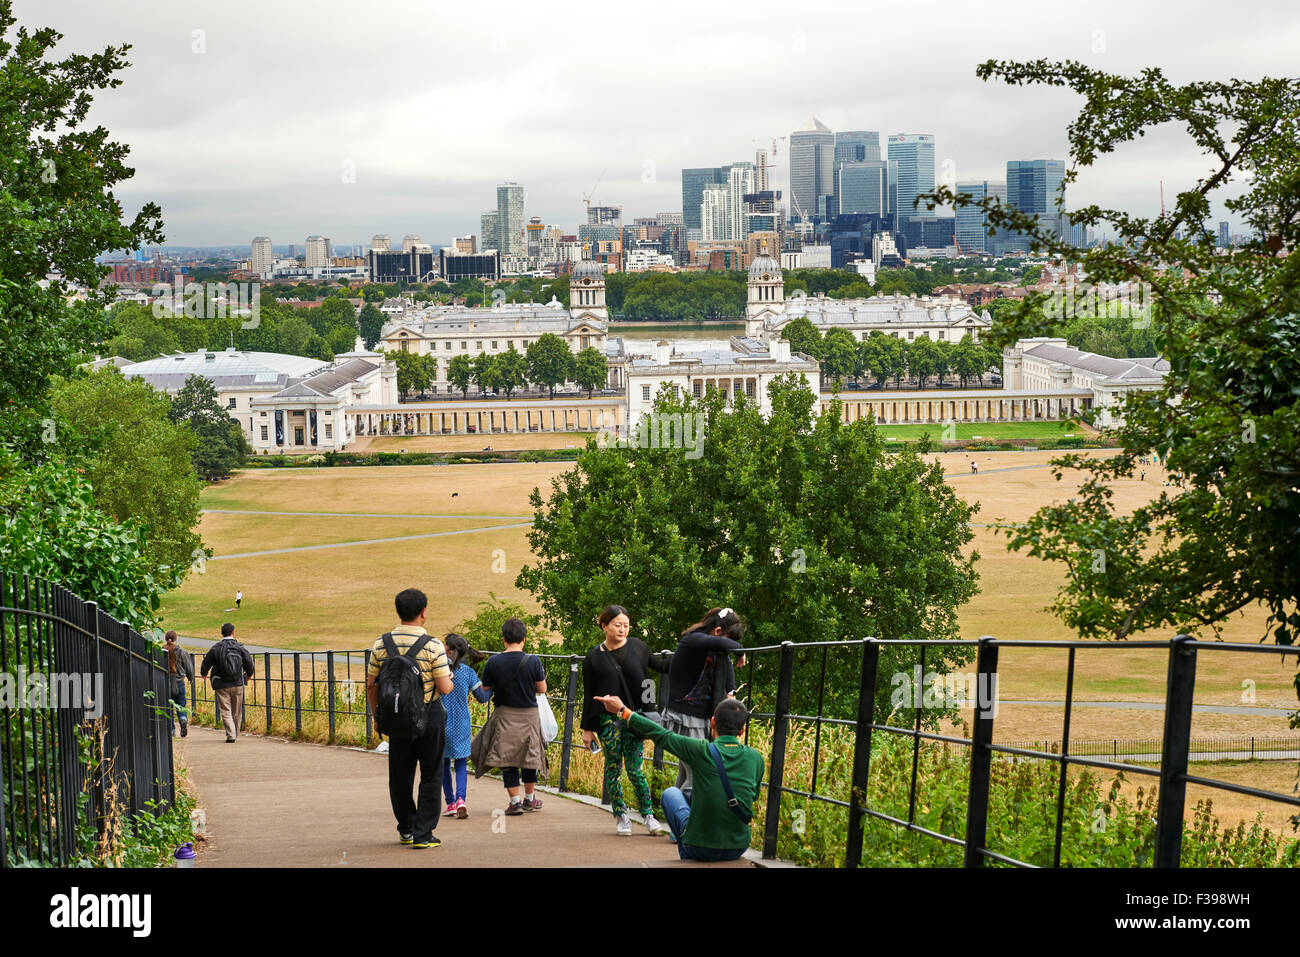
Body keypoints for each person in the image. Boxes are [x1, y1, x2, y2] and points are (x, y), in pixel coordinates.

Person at [593, 694, 763, 863]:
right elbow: (752, 797)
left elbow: (662, 735)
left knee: (671, 794)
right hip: (738, 847)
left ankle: (688, 856)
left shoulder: (701, 750)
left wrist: (623, 711)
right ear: (742, 731)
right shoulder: (756, 758)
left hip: (700, 848)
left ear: (712, 722)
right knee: (690, 793)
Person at [366, 588, 454, 849]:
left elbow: (372, 684)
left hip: (395, 717)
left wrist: (377, 717)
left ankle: (405, 827)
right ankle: (423, 834)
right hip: (429, 715)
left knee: (400, 775)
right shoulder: (434, 645)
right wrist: (448, 676)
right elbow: (445, 687)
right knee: (431, 774)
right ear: (423, 613)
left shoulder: (381, 644)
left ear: (398, 611)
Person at [580, 605, 669, 836]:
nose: (622, 629)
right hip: (606, 720)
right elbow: (588, 695)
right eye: (617, 625)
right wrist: (587, 729)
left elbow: (655, 673)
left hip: (634, 717)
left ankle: (648, 814)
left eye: (626, 625)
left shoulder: (639, 647)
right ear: (604, 626)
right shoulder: (592, 658)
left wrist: (692, 655)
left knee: (635, 768)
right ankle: (621, 816)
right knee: (613, 766)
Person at [662, 607, 746, 802]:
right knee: (699, 774)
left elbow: (727, 678)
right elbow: (722, 644)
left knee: (687, 773)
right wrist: (738, 649)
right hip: (684, 718)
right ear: (717, 632)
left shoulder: (717, 651)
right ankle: (688, 826)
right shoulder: (693, 640)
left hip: (700, 719)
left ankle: (677, 823)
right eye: (729, 639)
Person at [471, 618, 548, 815]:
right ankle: (530, 799)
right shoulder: (533, 660)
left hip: (504, 714)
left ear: (504, 639)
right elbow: (542, 689)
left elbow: (486, 688)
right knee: (529, 757)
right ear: (524, 639)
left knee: (508, 758)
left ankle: (515, 802)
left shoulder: (494, 661)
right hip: (529, 716)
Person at [441, 633, 492, 818]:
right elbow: (482, 698)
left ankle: (450, 803)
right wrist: (494, 686)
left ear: (451, 651)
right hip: (461, 723)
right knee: (461, 764)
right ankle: (461, 799)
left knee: (444, 763)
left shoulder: (440, 672)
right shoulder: (468, 672)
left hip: (441, 722)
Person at [200, 623, 254, 742]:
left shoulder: (216, 648)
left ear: (221, 633)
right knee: (237, 711)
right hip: (238, 682)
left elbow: (206, 663)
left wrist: (203, 673)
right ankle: (236, 733)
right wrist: (249, 675)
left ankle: (231, 735)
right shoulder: (239, 647)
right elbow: (249, 662)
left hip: (221, 684)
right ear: (233, 632)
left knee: (225, 710)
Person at [163, 630, 194, 738]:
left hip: (165, 683)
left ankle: (171, 730)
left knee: (168, 707)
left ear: (166, 639)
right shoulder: (181, 651)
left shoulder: (161, 651)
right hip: (179, 682)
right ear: (175, 639)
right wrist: (191, 678)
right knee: (181, 704)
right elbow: (189, 667)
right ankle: (183, 719)